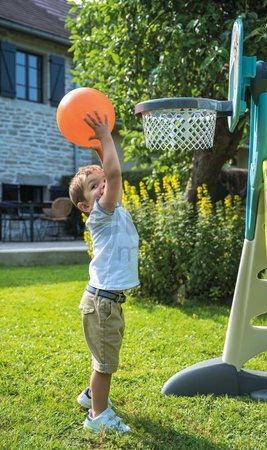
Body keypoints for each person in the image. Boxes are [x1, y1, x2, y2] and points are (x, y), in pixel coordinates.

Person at [69, 111, 139, 433]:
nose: (102, 187)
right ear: (84, 205)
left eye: (102, 184)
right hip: (102, 304)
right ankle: (98, 417)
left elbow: (108, 172)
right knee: (106, 363)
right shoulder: (101, 213)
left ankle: (90, 396)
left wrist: (100, 147)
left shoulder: (110, 209)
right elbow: (114, 172)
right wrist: (106, 136)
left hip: (106, 302)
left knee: (103, 356)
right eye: (94, 187)